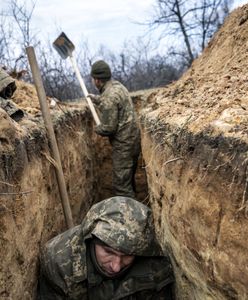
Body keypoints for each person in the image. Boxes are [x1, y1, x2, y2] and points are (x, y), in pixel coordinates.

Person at [37, 196, 175, 299]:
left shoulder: (156, 267)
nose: (116, 267)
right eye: (108, 252)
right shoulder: (58, 261)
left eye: (127, 256)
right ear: (91, 239)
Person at [89, 60, 140, 198]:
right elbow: (114, 104)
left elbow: (108, 128)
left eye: (93, 79)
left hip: (124, 146)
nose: (93, 82)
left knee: (122, 187)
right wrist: (97, 99)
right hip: (133, 140)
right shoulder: (118, 87)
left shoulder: (109, 96)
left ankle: (129, 217)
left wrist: (96, 129)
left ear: (97, 80)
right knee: (129, 179)